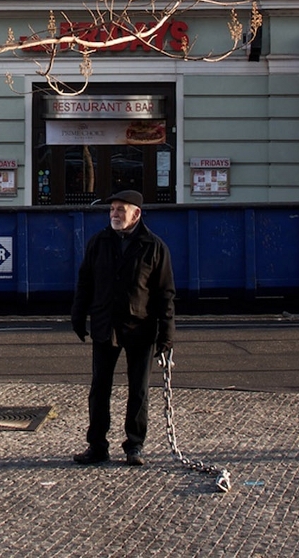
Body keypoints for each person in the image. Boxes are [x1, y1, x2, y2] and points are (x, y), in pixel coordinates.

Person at [70, 189, 176, 466]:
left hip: (141, 327)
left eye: (120, 209)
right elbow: (85, 282)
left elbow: (165, 294)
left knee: (138, 390)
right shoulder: (99, 242)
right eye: (112, 209)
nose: (114, 214)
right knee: (99, 387)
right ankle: (97, 445)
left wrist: (167, 334)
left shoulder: (154, 247)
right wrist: (78, 317)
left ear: (136, 214)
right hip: (105, 325)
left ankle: (134, 445)